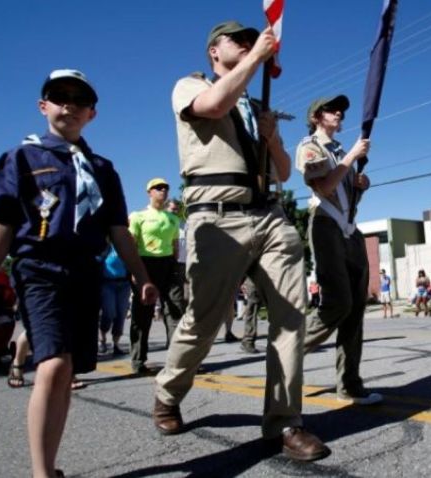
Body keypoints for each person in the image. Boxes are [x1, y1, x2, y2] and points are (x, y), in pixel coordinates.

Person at [0, 69, 157, 478]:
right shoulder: (23, 157)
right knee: (51, 363)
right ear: (43, 106)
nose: (69, 104)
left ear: (92, 113)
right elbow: (4, 222)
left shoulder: (102, 168)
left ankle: (49, 466)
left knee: (67, 368)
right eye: (59, 96)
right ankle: (40, 473)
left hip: (85, 272)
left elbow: (118, 230)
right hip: (39, 267)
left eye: (79, 99)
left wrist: (142, 276)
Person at [153, 22, 330, 461]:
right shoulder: (190, 85)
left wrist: (271, 138)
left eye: (254, 42)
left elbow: (285, 172)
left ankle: (285, 422)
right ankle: (169, 390)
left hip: (269, 215)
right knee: (205, 319)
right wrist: (258, 58)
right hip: (217, 217)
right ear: (215, 50)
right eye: (240, 41)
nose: (250, 46)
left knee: (291, 317)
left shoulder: (255, 107)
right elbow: (211, 106)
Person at [297, 94, 382, 407]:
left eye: (341, 110)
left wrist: (360, 181)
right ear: (317, 116)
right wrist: (350, 160)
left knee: (355, 309)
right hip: (325, 226)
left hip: (350, 230)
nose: (339, 114)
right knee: (338, 304)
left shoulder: (340, 151)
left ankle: (349, 384)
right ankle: (287, 350)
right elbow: (323, 187)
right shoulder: (310, 147)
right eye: (332, 110)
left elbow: (344, 188)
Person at [128, 178, 184, 374]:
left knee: (176, 311)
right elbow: (132, 244)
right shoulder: (138, 216)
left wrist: (175, 265)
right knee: (142, 315)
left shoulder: (173, 219)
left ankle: (176, 361)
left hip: (169, 264)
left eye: (165, 188)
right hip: (145, 264)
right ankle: (138, 361)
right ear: (149, 192)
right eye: (158, 188)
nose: (163, 191)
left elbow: (176, 245)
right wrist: (136, 272)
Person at [100, 245, 131, 355]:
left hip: (124, 284)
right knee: (109, 312)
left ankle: (116, 345)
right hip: (108, 283)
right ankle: (102, 339)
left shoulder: (127, 246)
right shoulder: (106, 247)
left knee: (121, 314)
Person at [240, 276, 262, 354]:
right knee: (253, 310)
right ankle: (248, 341)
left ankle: (248, 340)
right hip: (254, 280)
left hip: (257, 279)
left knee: (252, 310)